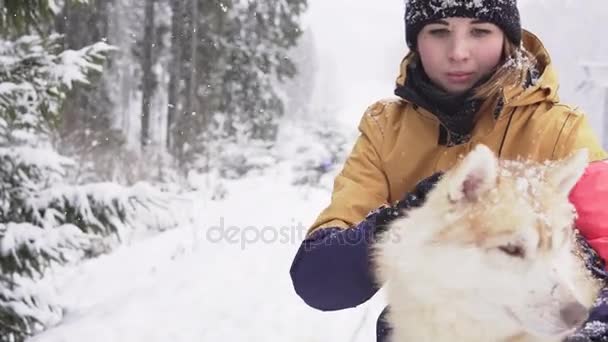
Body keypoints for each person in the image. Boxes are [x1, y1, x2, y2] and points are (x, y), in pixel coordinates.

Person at [288, 0, 608, 341]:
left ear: (506, 38)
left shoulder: (560, 131)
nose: (458, 52)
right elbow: (319, 281)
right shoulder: (385, 131)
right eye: (439, 31)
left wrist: (589, 327)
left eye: (480, 31)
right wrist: (410, 217)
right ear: (416, 40)